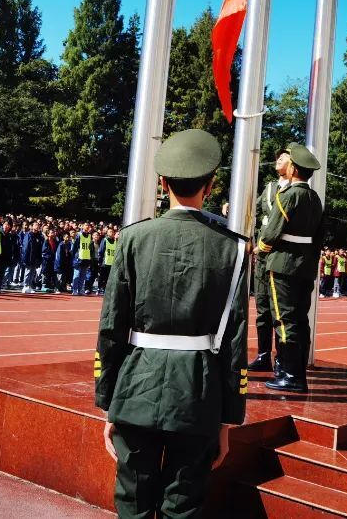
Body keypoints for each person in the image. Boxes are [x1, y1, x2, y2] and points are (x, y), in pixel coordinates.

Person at [95, 129, 248, 518]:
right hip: (198, 393)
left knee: (132, 502)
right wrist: (228, 418)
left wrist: (108, 403)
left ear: (162, 184)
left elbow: (111, 328)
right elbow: (235, 340)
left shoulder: (133, 239)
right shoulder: (234, 248)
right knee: (183, 504)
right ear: (210, 186)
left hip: (135, 386)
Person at [256, 142, 323, 394]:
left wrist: (259, 248)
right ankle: (296, 371)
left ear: (293, 169)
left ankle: (290, 374)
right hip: (304, 265)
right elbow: (319, 236)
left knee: (284, 320)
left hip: (282, 264)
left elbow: (271, 232)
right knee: (299, 320)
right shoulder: (314, 198)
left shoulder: (288, 195)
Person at [248, 147, 292, 373]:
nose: (278, 159)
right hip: (262, 257)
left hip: (279, 257)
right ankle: (263, 355)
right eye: (277, 156)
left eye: (283, 157)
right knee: (262, 308)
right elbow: (253, 209)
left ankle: (282, 361)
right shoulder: (269, 188)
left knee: (279, 312)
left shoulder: (294, 191)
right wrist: (230, 205)